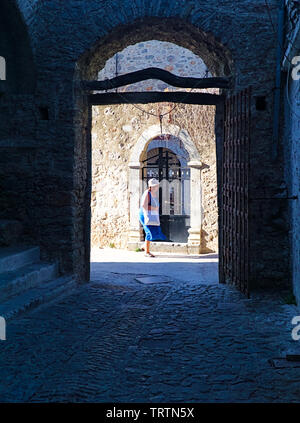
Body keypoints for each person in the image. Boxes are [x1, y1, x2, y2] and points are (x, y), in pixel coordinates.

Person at [139, 178, 167, 257]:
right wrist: (154, 208)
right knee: (149, 232)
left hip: (151, 215)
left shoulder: (153, 194)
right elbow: (144, 206)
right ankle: (147, 252)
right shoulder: (147, 193)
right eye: (156, 186)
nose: (157, 187)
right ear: (152, 186)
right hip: (145, 215)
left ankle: (145, 246)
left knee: (153, 231)